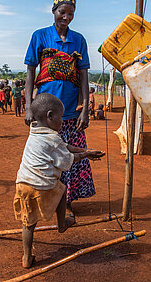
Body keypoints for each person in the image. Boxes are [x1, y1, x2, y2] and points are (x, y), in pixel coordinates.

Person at [14, 93, 104, 268]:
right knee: (62, 189)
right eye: (60, 117)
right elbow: (67, 160)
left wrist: (85, 150)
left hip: (23, 184)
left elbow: (63, 146)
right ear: (49, 116)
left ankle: (26, 257)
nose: (62, 121)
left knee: (28, 223)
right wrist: (85, 155)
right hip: (42, 186)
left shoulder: (34, 131)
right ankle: (62, 224)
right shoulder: (53, 139)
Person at [24, 0, 92, 217]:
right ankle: (43, 199)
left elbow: (83, 76)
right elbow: (30, 74)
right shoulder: (40, 36)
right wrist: (28, 106)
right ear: (54, 11)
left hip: (71, 111)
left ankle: (67, 202)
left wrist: (85, 109)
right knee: (44, 156)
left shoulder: (79, 40)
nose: (66, 17)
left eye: (71, 13)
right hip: (45, 113)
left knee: (69, 158)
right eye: (62, 12)